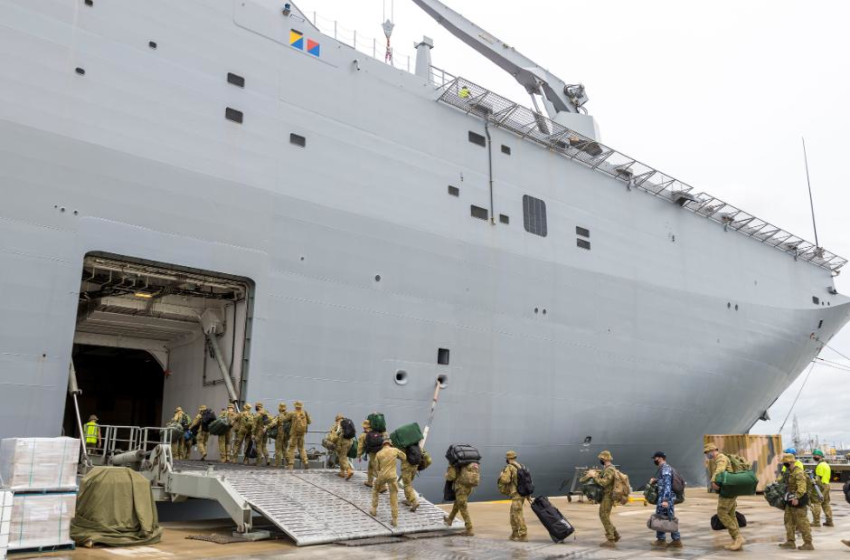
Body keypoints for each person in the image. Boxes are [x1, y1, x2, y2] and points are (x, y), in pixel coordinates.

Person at [705, 442, 744, 551]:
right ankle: (737, 539)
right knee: (731, 514)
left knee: (721, 512)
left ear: (713, 451)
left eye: (707, 452)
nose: (707, 455)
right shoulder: (720, 458)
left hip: (728, 490)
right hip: (730, 488)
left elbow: (720, 470)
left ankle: (737, 537)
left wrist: (713, 481)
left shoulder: (721, 458)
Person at [779, 452, 814, 550]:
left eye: (785, 463)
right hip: (790, 499)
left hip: (798, 499)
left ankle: (808, 543)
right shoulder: (789, 472)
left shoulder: (798, 472)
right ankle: (790, 541)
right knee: (788, 520)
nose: (784, 464)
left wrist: (796, 497)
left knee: (802, 522)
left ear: (790, 462)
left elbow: (802, 488)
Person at [586, 450, 620, 548]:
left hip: (608, 496)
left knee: (604, 515)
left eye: (601, 459)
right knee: (604, 515)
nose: (600, 460)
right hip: (606, 495)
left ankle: (611, 539)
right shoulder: (608, 468)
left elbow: (604, 483)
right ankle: (615, 535)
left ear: (604, 459)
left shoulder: (610, 469)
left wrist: (594, 476)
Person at [369, 438, 406, 527]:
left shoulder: (379, 453)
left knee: (375, 490)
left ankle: (374, 510)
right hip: (392, 477)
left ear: (383, 445)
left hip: (382, 476)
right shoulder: (395, 450)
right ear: (390, 444)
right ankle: (394, 519)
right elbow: (404, 458)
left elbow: (377, 468)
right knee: (393, 496)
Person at [649, 451, 682, 549]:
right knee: (662, 517)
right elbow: (663, 482)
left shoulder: (665, 468)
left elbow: (667, 485)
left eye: (655, 458)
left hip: (666, 498)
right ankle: (663, 539)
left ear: (660, 458)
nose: (654, 460)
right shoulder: (662, 469)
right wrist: (656, 480)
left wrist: (665, 500)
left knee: (668, 518)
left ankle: (675, 540)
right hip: (663, 497)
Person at [497, 450, 527, 542]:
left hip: (516, 494)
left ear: (508, 458)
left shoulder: (510, 467)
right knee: (513, 514)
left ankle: (523, 535)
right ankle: (514, 533)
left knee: (518, 514)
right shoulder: (521, 466)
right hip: (522, 494)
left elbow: (505, 480)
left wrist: (501, 475)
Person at [444, 460, 475, 536]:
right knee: (457, 504)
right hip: (469, 488)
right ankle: (450, 519)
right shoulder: (468, 462)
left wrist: (446, 475)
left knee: (462, 507)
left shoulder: (455, 463)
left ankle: (469, 529)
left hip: (461, 488)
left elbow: (451, 477)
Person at [810, 449, 834, 527]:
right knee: (826, 504)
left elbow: (818, 478)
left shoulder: (820, 465)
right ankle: (829, 521)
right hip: (827, 485)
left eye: (815, 455)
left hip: (820, 486)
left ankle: (816, 522)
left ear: (820, 456)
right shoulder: (826, 464)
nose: (814, 457)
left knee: (816, 503)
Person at [286, 400, 311, 470]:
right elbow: (309, 422)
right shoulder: (305, 412)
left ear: (295, 406)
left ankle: (290, 465)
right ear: (301, 406)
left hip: (294, 434)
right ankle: (305, 461)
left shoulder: (292, 413)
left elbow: (284, 419)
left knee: (292, 448)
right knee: (301, 448)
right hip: (302, 434)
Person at [266, 403, 290, 468]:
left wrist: (266, 427)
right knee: (285, 449)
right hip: (287, 435)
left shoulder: (279, 415)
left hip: (280, 434)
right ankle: (289, 463)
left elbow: (273, 423)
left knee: (278, 449)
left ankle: (277, 464)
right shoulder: (289, 415)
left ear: (279, 408)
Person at [333, 415, 355, 480]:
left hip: (343, 442)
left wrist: (339, 445)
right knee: (343, 456)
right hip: (350, 442)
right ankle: (342, 472)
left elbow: (339, 436)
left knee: (342, 458)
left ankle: (348, 470)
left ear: (337, 420)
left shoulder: (339, 425)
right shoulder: (348, 423)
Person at [400, 444, 421, 512]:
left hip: (407, 468)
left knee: (407, 485)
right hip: (415, 467)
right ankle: (408, 500)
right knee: (409, 484)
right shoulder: (417, 446)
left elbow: (399, 456)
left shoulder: (405, 448)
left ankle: (414, 501)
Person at [253, 402, 272, 466]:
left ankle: (259, 462)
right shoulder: (267, 412)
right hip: (266, 431)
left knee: (258, 446)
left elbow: (254, 425)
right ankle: (268, 459)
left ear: (257, 407)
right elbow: (271, 421)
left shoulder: (257, 414)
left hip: (259, 432)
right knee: (264, 446)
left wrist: (253, 434)